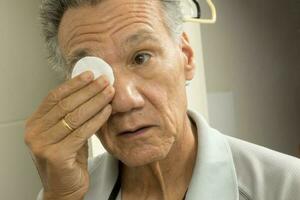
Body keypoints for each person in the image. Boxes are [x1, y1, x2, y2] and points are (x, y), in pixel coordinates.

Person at [24, 0, 300, 200]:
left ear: (187, 56)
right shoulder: (66, 194)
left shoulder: (287, 187)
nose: (123, 101)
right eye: (93, 73)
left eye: (141, 58)